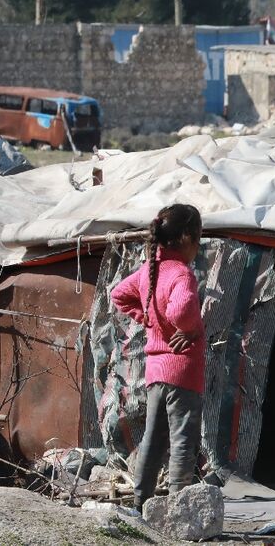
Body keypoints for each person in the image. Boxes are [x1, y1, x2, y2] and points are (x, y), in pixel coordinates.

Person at [111, 204, 206, 511]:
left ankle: (141, 503)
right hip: (182, 369)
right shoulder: (181, 273)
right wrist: (189, 328)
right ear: (189, 237)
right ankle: (179, 507)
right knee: (182, 440)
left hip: (156, 370)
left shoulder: (149, 271)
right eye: (199, 239)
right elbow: (181, 309)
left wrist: (148, 320)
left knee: (152, 438)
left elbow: (118, 295)